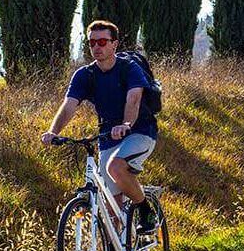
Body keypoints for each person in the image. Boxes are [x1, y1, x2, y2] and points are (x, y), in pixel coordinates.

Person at [41, 20, 159, 233]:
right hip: (107, 137)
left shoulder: (128, 69)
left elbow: (133, 99)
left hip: (140, 131)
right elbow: (68, 107)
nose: (97, 47)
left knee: (115, 167)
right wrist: (53, 131)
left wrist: (125, 124)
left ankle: (144, 209)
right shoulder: (85, 75)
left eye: (103, 41)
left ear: (114, 44)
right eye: (92, 42)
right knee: (110, 204)